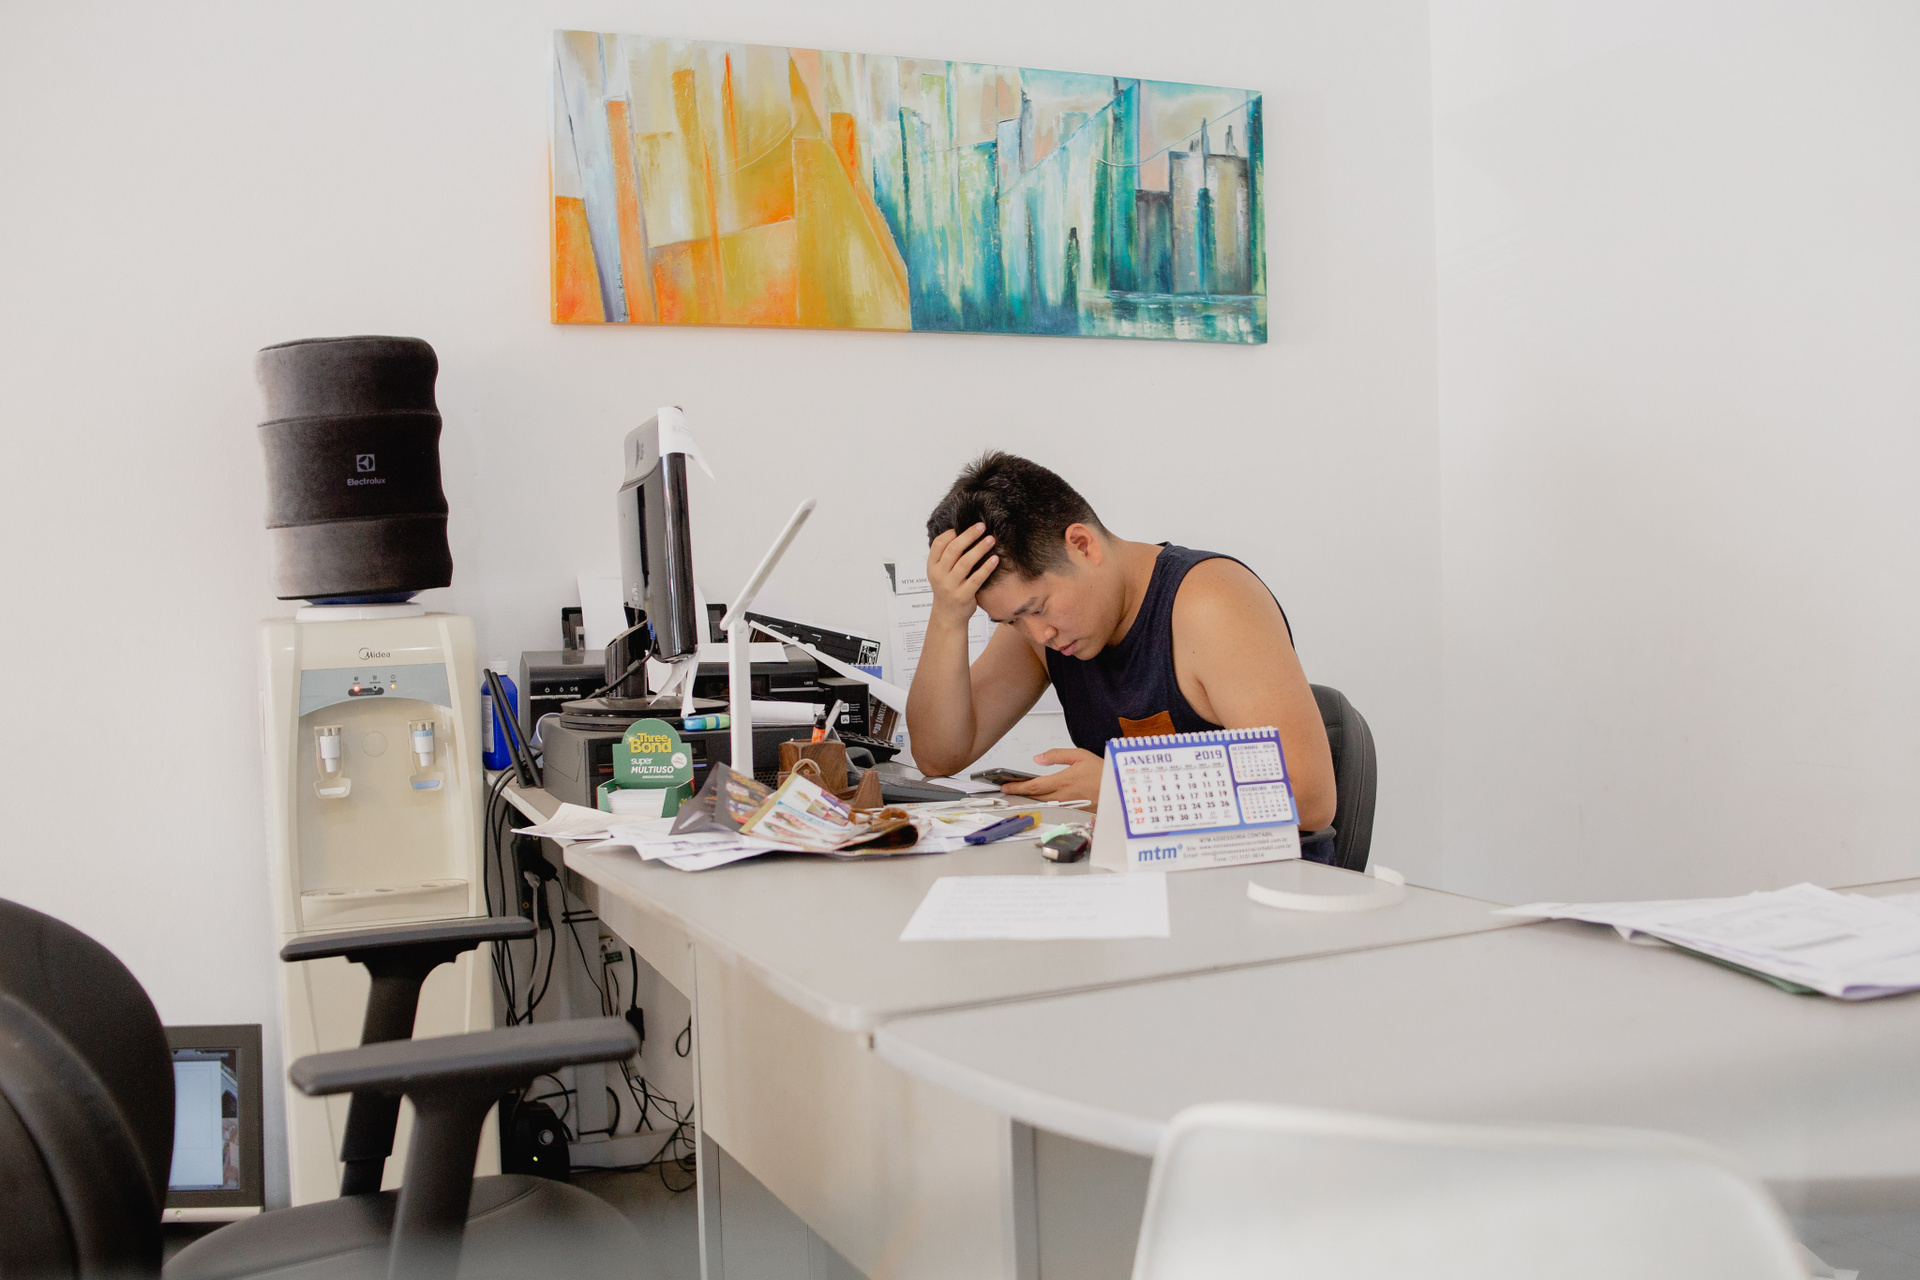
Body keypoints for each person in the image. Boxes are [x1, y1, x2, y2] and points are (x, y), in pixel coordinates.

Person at [905, 451, 1336, 836]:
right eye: (1011, 620)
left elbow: (1310, 797)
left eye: (1037, 608)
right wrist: (948, 615)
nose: (1038, 635)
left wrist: (1126, 789)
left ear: (1082, 545)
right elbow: (938, 757)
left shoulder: (1212, 603)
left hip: (1252, 880)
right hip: (1141, 877)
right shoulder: (1040, 632)